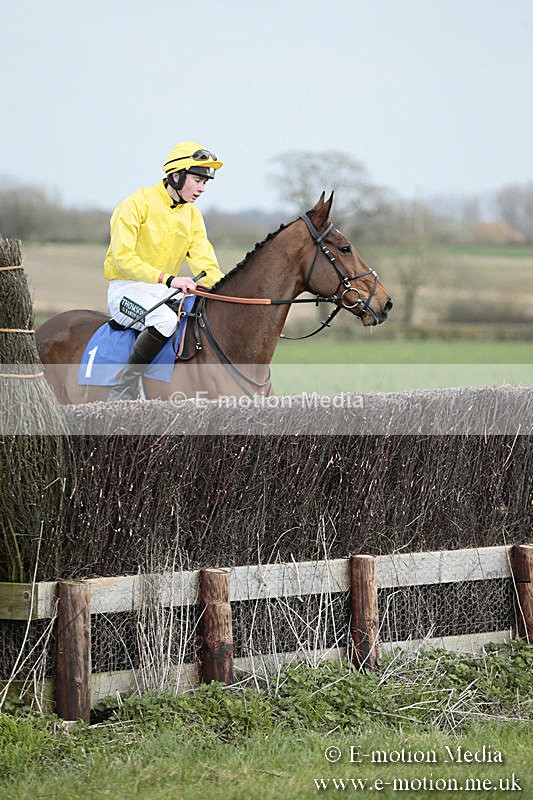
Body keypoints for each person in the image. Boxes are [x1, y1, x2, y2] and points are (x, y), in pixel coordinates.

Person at [104, 141, 224, 401]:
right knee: (165, 321)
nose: (202, 189)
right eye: (197, 180)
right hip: (126, 289)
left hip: (163, 291)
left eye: (206, 183)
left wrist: (228, 292)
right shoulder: (136, 204)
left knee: (202, 311)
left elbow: (206, 264)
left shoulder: (192, 217)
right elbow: (123, 259)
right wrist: (168, 279)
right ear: (176, 175)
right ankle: (123, 389)